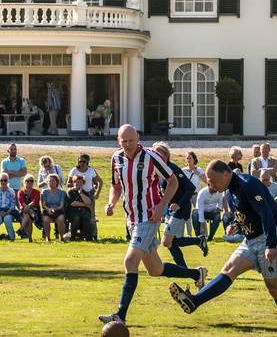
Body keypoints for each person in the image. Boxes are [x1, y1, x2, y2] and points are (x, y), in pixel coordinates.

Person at [168, 159, 277, 337]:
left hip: (272, 234)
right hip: (251, 239)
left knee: (274, 286)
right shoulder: (229, 191)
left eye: (213, 181)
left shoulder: (248, 184)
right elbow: (245, 212)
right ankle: (194, 301)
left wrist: (271, 245)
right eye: (209, 182)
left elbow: (267, 212)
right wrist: (237, 224)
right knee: (229, 269)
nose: (211, 186)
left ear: (226, 173)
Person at [98, 125, 206, 328]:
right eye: (124, 141)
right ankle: (196, 274)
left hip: (149, 217)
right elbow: (116, 185)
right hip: (132, 219)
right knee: (155, 269)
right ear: (118, 141)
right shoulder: (116, 158)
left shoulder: (151, 156)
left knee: (130, 262)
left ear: (137, 138)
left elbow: (172, 181)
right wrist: (111, 203)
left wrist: (162, 205)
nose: (128, 145)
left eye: (131, 140)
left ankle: (120, 315)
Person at [152, 142, 206, 268]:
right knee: (169, 242)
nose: (155, 156)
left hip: (181, 208)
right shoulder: (158, 170)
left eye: (158, 154)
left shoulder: (173, 169)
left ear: (166, 155)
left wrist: (178, 205)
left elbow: (190, 188)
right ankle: (184, 268)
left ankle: (198, 241)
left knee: (166, 241)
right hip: (170, 209)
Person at [68, 153, 104, 228]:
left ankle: (93, 231)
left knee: (91, 212)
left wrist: (96, 192)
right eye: (80, 161)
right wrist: (76, 185)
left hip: (88, 193)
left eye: (83, 161)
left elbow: (99, 182)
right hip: (76, 193)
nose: (81, 163)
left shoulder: (91, 170)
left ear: (87, 162)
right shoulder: (74, 170)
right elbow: (68, 183)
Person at [0, 173, 19, 241]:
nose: (3, 182)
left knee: (7, 219)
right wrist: (0, 213)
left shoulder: (12, 191)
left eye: (5, 180)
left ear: (8, 181)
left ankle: (12, 238)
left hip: (9, 212)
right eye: (1, 180)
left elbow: (12, 205)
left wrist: (7, 213)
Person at [66, 174, 96, 240]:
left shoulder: (84, 192)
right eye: (77, 182)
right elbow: (73, 203)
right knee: (77, 218)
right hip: (72, 212)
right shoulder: (70, 192)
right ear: (74, 182)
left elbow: (89, 202)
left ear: (83, 183)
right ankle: (73, 237)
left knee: (86, 219)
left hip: (83, 212)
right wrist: (85, 205)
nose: (78, 183)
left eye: (80, 182)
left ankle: (87, 237)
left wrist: (81, 193)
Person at [40, 173, 68, 242]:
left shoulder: (62, 192)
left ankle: (62, 238)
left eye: (53, 181)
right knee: (46, 220)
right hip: (47, 210)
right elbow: (43, 205)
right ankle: (48, 238)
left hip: (58, 210)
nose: (51, 183)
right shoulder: (44, 192)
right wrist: (48, 209)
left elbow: (61, 205)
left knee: (61, 219)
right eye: (50, 181)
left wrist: (54, 209)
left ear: (57, 182)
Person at [17, 175, 42, 240]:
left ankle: (21, 229)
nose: (29, 182)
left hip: (35, 211)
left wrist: (28, 208)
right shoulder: (21, 192)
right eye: (27, 181)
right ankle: (29, 238)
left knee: (28, 216)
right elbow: (21, 202)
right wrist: (28, 209)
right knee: (28, 216)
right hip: (24, 211)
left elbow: (35, 202)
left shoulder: (37, 192)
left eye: (31, 181)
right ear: (24, 182)